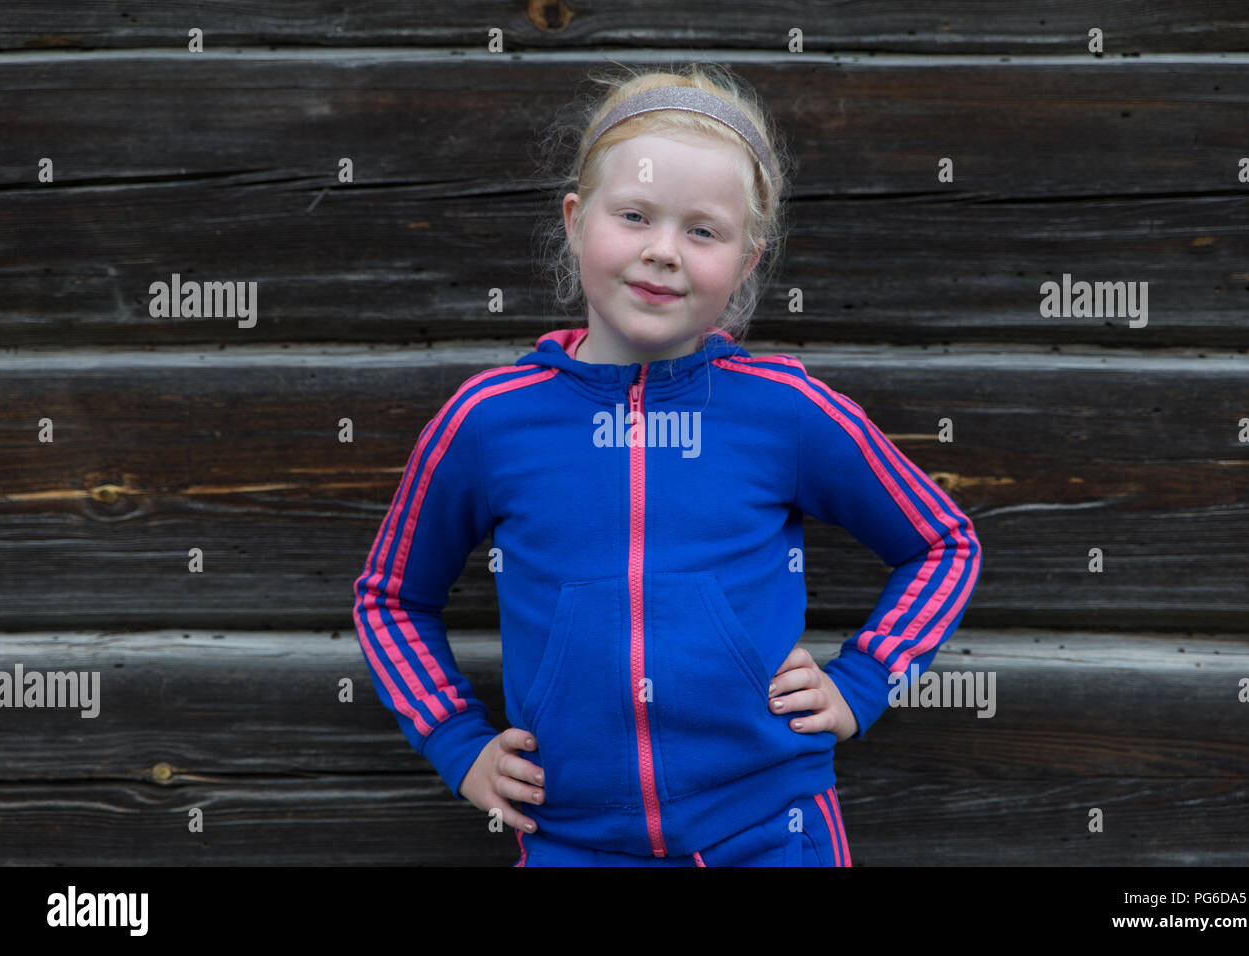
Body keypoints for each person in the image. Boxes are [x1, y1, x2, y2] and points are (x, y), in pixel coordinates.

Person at [352, 63, 982, 866]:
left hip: (771, 829)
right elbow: (389, 597)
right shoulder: (489, 420)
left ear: (748, 260)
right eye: (635, 215)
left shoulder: (785, 411)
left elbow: (944, 544)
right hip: (573, 839)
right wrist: (453, 738)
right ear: (577, 220)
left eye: (703, 231)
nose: (662, 253)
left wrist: (863, 681)